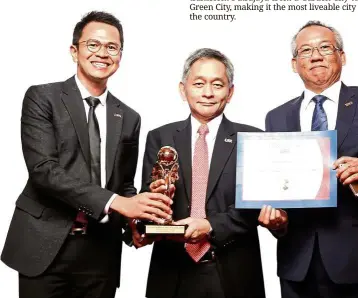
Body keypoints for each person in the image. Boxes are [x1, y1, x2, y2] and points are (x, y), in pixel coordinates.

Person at [1, 11, 172, 298]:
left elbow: (123, 184)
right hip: (45, 244)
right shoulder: (42, 98)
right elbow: (44, 171)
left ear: (120, 55)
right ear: (74, 50)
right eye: (93, 45)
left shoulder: (128, 116)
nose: (102, 54)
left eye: (111, 47)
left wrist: (136, 221)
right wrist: (118, 202)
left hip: (100, 250)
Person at [260, 21, 358, 298]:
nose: (316, 55)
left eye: (325, 47)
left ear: (342, 56)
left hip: (357, 262)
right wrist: (277, 221)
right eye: (306, 50)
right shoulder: (276, 117)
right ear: (294, 64)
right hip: (297, 264)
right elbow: (277, 184)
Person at [131, 48, 265, 298]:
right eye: (199, 83)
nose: (208, 93)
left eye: (217, 84)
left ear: (230, 92)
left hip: (233, 271)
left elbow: (255, 206)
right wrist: (143, 221)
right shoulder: (160, 137)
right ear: (183, 89)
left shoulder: (253, 138)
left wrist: (210, 225)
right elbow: (146, 198)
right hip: (171, 272)